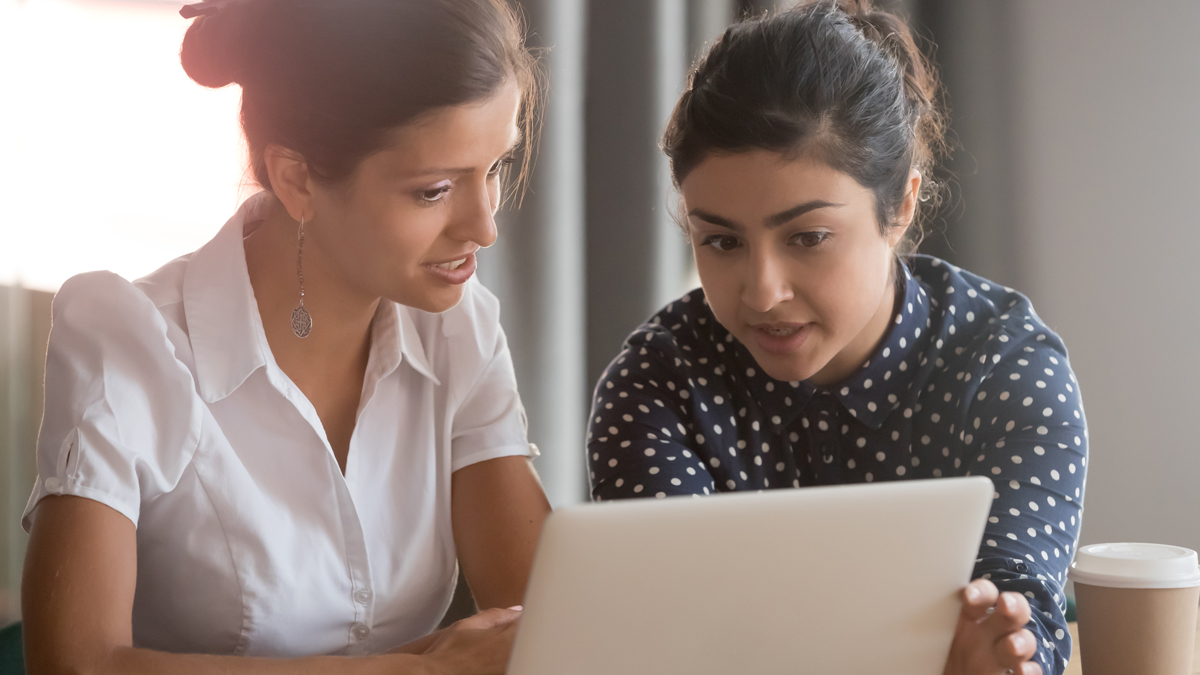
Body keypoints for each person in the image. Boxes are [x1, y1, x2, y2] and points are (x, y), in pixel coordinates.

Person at [20, 1, 551, 673]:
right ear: (297, 177)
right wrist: (421, 667)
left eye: (496, 168)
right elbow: (75, 664)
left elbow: (549, 618)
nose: (483, 226)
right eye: (435, 190)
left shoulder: (458, 329)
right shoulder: (129, 340)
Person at [587, 2, 1086, 674]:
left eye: (808, 237)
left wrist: (1002, 655)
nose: (762, 291)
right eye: (722, 240)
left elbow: (1023, 620)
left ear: (901, 204)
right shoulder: (659, 386)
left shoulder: (1004, 368)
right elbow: (676, 640)